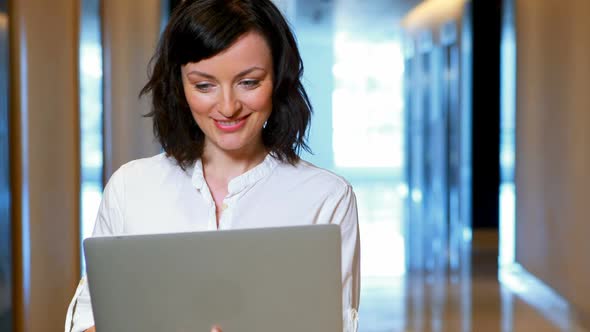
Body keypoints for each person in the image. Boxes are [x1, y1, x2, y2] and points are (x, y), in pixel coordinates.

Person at [64, 0, 360, 331]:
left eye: (249, 82)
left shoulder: (326, 197)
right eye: (204, 85)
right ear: (179, 87)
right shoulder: (130, 189)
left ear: (278, 79)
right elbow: (88, 323)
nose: (228, 106)